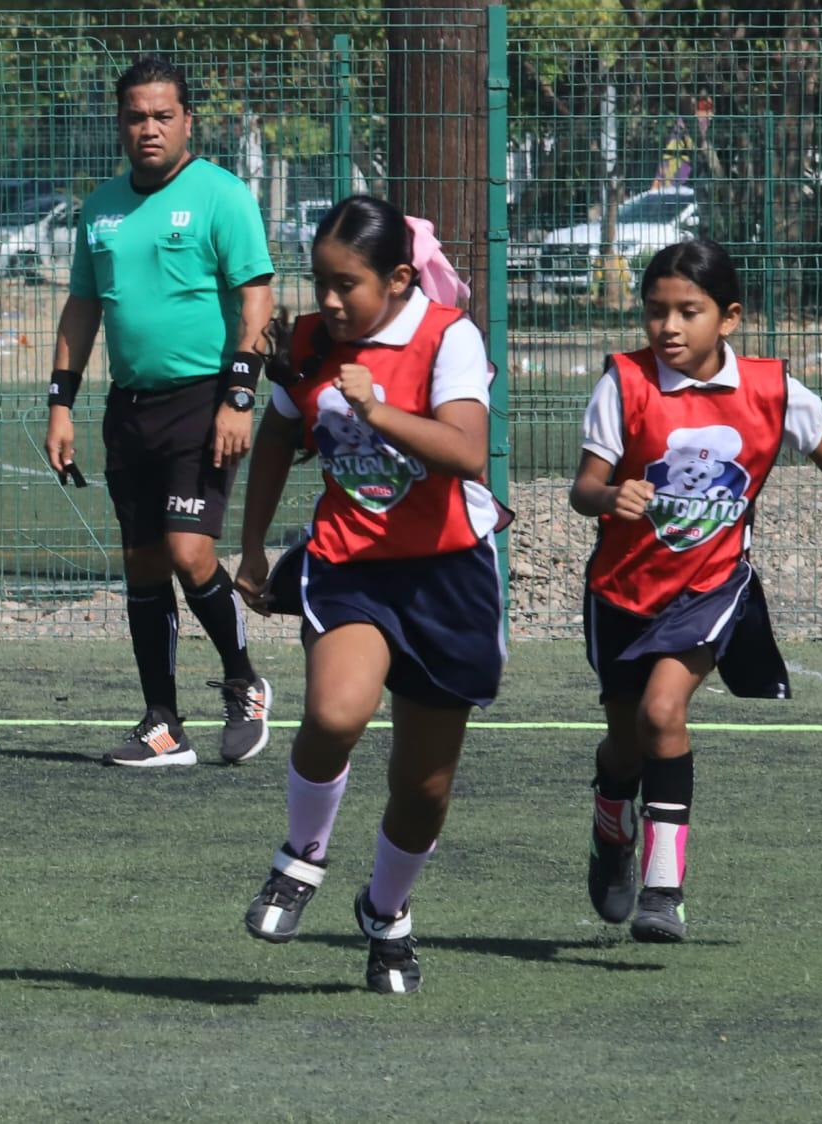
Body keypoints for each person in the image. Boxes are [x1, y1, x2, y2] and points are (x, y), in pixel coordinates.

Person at [232, 196, 504, 995]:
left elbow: (468, 452)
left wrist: (375, 408)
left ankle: (386, 914)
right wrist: (252, 543)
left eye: (346, 284)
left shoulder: (448, 337)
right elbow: (278, 433)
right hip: (349, 564)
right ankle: (299, 860)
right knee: (334, 714)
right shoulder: (313, 343)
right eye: (319, 281)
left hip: (447, 576)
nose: (328, 300)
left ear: (397, 279)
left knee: (423, 788)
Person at [573, 238, 822, 942]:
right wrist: (609, 496)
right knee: (625, 746)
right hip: (622, 592)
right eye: (655, 310)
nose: (668, 326)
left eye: (687, 311)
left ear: (728, 318)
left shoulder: (774, 391)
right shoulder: (624, 383)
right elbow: (584, 488)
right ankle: (612, 825)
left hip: (709, 587)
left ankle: (663, 889)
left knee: (663, 712)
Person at [44, 54, 276, 767]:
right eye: (136, 116)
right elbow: (82, 307)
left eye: (162, 116)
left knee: (188, 551)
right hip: (129, 408)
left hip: (203, 401)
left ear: (187, 122)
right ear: (120, 124)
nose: (149, 128)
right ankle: (163, 723)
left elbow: (257, 300)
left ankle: (244, 683)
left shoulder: (221, 195)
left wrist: (240, 397)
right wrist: (60, 404)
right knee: (143, 565)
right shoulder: (101, 208)